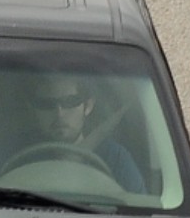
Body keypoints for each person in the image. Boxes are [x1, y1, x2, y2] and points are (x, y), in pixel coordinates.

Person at [19, 76, 147, 195]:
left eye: (70, 102)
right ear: (32, 109)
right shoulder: (17, 156)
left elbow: (139, 211)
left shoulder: (116, 159)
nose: (59, 113)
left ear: (88, 106)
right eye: (46, 104)